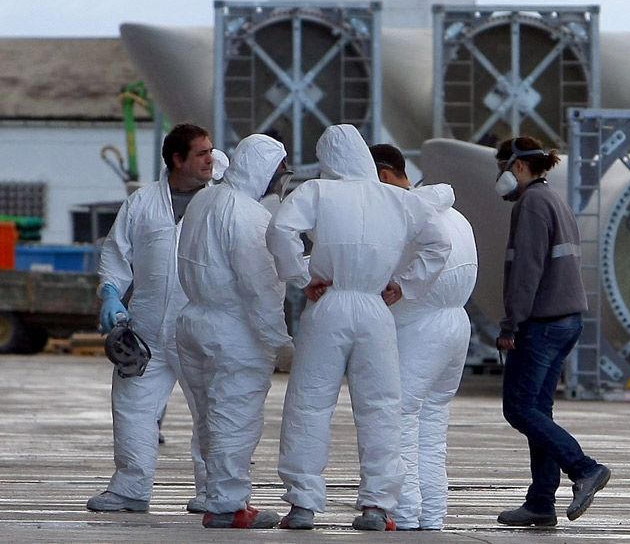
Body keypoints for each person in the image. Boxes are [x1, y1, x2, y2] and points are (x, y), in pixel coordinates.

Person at [267, 124, 451, 531]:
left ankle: (303, 503)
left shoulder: (316, 192)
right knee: (381, 406)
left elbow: (280, 229)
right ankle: (377, 505)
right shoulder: (398, 199)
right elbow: (439, 242)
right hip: (374, 306)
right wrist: (406, 285)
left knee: (310, 404)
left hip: (328, 304)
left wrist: (300, 275)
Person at [88, 123, 212, 514]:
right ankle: (130, 489)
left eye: (211, 151)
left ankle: (217, 492)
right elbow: (116, 251)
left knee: (214, 411)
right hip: (146, 330)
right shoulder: (143, 203)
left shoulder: (222, 203)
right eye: (201, 153)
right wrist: (110, 291)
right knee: (133, 407)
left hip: (201, 327)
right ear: (177, 159)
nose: (211, 159)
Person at [175, 134, 293, 529]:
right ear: (264, 171)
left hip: (194, 321)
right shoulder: (249, 216)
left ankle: (215, 494)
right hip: (234, 331)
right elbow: (260, 288)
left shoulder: (205, 199)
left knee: (210, 418)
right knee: (235, 418)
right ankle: (228, 506)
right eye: (281, 172)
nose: (282, 181)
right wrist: (280, 342)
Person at [493, 136, 611, 528]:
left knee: (520, 408)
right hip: (567, 320)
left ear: (520, 167)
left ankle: (584, 468)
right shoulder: (555, 199)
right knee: (538, 411)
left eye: (503, 167)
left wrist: (512, 324)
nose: (501, 176)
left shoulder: (531, 205)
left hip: (541, 323)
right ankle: (540, 503)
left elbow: (526, 272)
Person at [369, 143, 477, 530]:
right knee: (433, 426)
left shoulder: (406, 218)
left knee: (400, 418)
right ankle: (432, 513)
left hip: (417, 327)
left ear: (382, 176)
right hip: (455, 327)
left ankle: (405, 511)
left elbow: (378, 269)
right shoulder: (457, 217)